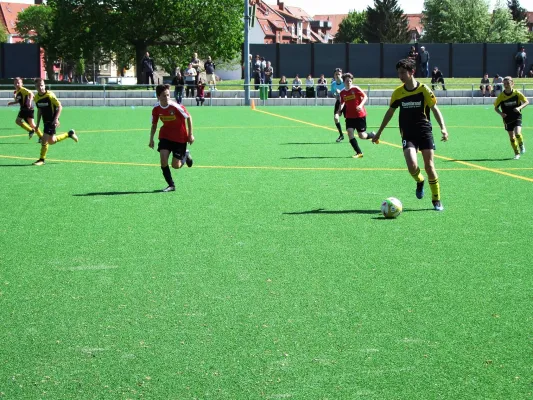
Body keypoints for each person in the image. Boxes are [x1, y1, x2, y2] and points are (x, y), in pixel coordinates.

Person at [372, 58, 449, 212]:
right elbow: (390, 113)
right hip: (408, 133)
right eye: (398, 73)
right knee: (412, 165)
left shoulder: (424, 89)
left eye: (402, 72)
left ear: (412, 72)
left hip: (424, 131)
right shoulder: (398, 93)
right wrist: (379, 132)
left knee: (429, 166)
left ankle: (436, 199)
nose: (400, 76)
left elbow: (434, 109)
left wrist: (443, 128)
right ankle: (420, 181)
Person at [149, 84, 194, 192]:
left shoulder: (176, 106)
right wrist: (151, 139)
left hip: (180, 137)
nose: (167, 98)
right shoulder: (156, 109)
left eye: (168, 95)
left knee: (176, 166)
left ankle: (185, 155)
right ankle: (171, 185)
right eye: (164, 96)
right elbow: (154, 124)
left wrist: (190, 134)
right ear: (158, 96)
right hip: (165, 136)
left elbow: (189, 117)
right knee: (163, 160)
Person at [32, 78, 78, 166]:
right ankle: (69, 134)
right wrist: (37, 124)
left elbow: (60, 106)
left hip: (52, 120)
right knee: (51, 141)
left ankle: (42, 159)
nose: (40, 87)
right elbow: (39, 111)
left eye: (42, 85)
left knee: (44, 139)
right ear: (35, 87)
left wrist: (56, 119)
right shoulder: (36, 98)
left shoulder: (50, 95)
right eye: (38, 86)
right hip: (45, 121)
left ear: (44, 85)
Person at [336, 72, 376, 158]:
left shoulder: (356, 89)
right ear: (344, 82)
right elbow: (342, 102)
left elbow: (365, 96)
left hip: (359, 115)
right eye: (347, 81)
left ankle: (373, 135)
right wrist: (339, 110)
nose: (349, 82)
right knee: (350, 133)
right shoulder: (342, 92)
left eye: (350, 81)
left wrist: (361, 105)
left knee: (362, 135)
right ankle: (359, 152)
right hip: (349, 116)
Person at [494, 76, 529, 160]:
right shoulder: (501, 96)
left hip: (517, 116)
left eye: (508, 83)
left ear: (512, 84)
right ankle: (516, 153)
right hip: (507, 118)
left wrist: (519, 108)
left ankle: (521, 145)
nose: (506, 85)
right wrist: (501, 113)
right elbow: (495, 107)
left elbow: (526, 101)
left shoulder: (517, 93)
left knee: (517, 133)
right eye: (505, 84)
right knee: (512, 137)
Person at [331, 68, 346, 142]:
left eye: (339, 74)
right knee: (336, 118)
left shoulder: (345, 83)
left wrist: (341, 92)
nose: (337, 76)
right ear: (334, 75)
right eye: (336, 74)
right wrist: (336, 95)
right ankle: (341, 135)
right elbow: (333, 93)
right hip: (338, 102)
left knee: (350, 120)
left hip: (346, 103)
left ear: (341, 75)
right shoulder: (333, 84)